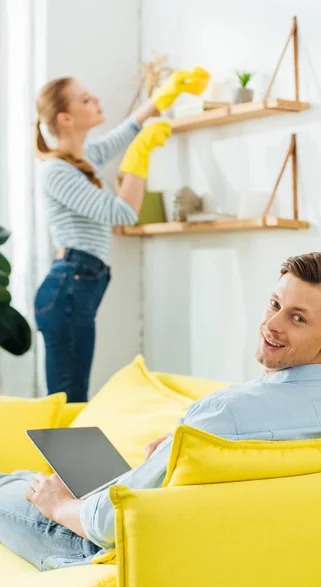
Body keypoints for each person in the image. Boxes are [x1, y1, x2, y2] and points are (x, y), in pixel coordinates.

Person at [0, 251, 321, 571]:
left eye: (297, 318)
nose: (272, 324)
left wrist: (58, 506)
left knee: (18, 482)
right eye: (275, 304)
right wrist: (177, 453)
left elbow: (109, 525)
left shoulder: (226, 410)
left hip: (94, 544)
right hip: (185, 524)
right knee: (35, 475)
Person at [33, 67, 210, 403]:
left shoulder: (83, 158)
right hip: (69, 285)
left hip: (77, 284)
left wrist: (166, 95)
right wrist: (140, 155)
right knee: (69, 399)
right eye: (85, 99)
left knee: (71, 395)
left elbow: (128, 129)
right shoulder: (57, 170)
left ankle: (62, 457)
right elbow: (122, 213)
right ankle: (55, 458)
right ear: (66, 118)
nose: (95, 100)